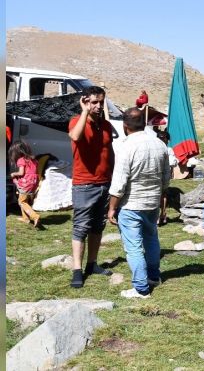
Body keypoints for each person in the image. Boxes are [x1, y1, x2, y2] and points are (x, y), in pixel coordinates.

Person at [107, 107, 169, 299]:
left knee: (133, 246)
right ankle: (153, 277)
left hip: (131, 204)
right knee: (151, 240)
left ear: (125, 126)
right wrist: (162, 204)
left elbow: (119, 182)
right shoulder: (160, 144)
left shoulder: (126, 147)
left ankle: (141, 288)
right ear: (144, 123)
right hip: (152, 203)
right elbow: (166, 179)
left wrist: (111, 208)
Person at [68, 86, 116, 289]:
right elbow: (75, 137)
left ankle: (92, 264)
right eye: (93, 102)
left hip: (104, 183)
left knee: (98, 226)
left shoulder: (105, 125)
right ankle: (77, 270)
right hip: (84, 184)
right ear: (85, 101)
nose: (98, 106)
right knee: (81, 227)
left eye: (100, 102)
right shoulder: (76, 121)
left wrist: (114, 177)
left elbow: (109, 150)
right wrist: (84, 112)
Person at [8, 140, 41, 228]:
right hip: (33, 183)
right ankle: (25, 218)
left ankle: (34, 216)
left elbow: (21, 173)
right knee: (24, 200)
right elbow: (36, 172)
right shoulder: (33, 159)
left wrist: (13, 174)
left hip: (25, 183)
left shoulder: (21, 160)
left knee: (22, 201)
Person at [156, 131, 178, 225]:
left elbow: (173, 162)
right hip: (161, 173)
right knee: (162, 193)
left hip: (159, 174)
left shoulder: (165, 149)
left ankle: (160, 214)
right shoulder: (167, 149)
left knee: (160, 193)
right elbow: (173, 162)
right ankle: (162, 214)